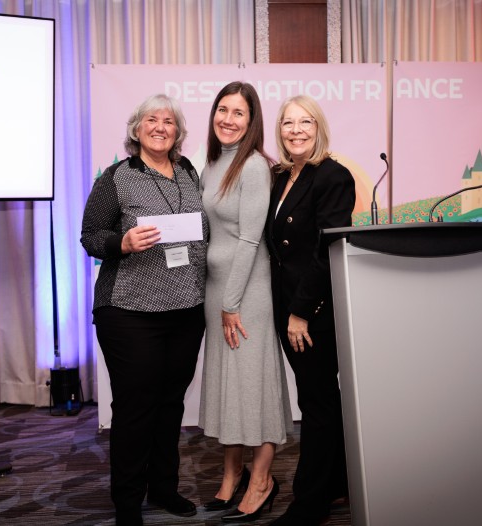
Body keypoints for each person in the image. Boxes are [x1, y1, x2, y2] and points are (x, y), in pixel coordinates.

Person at [80, 93, 208, 526]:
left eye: (168, 121)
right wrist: (122, 242)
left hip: (186, 309)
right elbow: (90, 236)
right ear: (136, 129)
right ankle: (128, 502)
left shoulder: (188, 172)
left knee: (171, 405)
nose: (160, 127)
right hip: (129, 311)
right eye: (152, 120)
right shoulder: (117, 177)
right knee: (136, 409)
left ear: (178, 132)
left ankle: (164, 488)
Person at [199, 82, 293, 524]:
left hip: (245, 293)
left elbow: (251, 240)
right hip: (216, 291)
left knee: (254, 385)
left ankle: (261, 480)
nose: (228, 119)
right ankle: (231, 475)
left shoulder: (254, 166)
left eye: (239, 113)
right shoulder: (212, 162)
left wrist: (232, 302)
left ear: (252, 121)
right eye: (223, 109)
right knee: (228, 386)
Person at [264, 95, 356, 526]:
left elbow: (325, 250)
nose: (296, 130)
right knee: (322, 400)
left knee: (317, 405)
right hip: (285, 306)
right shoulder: (281, 176)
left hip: (314, 312)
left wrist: (301, 311)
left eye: (305, 122)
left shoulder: (332, 176)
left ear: (319, 128)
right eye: (288, 123)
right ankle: (338, 483)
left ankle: (309, 504)